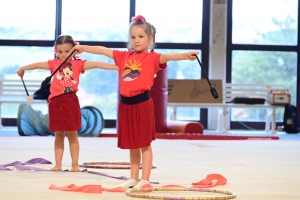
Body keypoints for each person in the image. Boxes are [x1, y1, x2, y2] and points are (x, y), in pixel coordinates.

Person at [71, 15, 199, 188]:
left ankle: (145, 180)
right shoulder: (123, 56)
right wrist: (82, 48)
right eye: (133, 37)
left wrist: (185, 55)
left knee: (144, 144)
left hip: (142, 104)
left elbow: (169, 56)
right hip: (126, 105)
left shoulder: (152, 58)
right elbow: (102, 50)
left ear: (150, 39)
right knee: (132, 143)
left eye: (141, 37)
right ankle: (133, 178)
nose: (136, 41)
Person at [17, 35, 118, 172]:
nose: (63, 54)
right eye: (60, 51)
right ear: (56, 51)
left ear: (74, 50)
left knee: (72, 134)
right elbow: (36, 65)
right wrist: (23, 68)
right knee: (58, 135)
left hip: (70, 102)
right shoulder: (53, 63)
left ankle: (75, 165)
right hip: (55, 103)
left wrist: (116, 67)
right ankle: (58, 164)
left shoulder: (78, 64)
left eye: (67, 51)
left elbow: (97, 64)